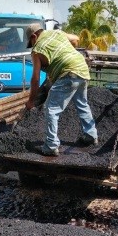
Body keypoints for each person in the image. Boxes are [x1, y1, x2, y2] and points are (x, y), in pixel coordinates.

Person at [23, 23, 97, 157]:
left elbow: (35, 78)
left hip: (68, 73)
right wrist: (64, 53)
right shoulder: (56, 33)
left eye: (31, 42)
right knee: (82, 104)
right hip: (82, 68)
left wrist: (31, 101)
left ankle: (51, 146)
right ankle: (91, 135)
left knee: (51, 109)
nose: (32, 45)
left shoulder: (37, 50)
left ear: (34, 36)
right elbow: (75, 39)